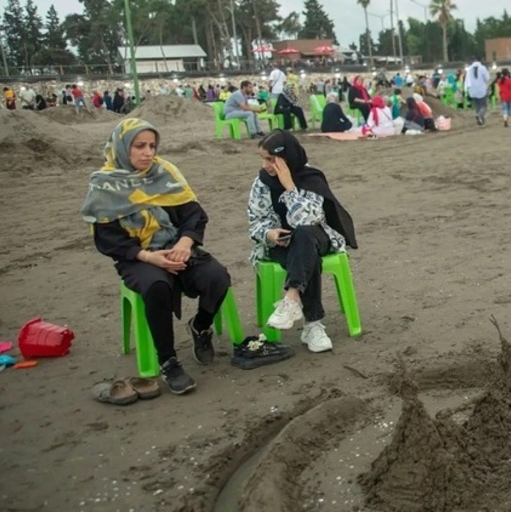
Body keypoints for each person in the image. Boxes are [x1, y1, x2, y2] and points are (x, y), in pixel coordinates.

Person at [83, 119, 233, 395]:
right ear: (122, 147)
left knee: (217, 276)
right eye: (139, 146)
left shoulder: (165, 173)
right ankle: (169, 361)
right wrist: (149, 257)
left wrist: (186, 243)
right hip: (137, 257)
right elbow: (107, 238)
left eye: (152, 145)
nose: (148, 152)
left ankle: (200, 326)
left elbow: (193, 214)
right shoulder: (105, 185)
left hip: (177, 247)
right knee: (157, 286)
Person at [248, 130, 358, 353]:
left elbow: (308, 220)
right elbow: (255, 222)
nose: (266, 165)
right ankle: (313, 325)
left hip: (318, 236)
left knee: (305, 235)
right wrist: (269, 234)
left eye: (271, 159)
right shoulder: (261, 184)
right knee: (308, 255)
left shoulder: (310, 178)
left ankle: (291, 298)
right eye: (262, 158)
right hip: (282, 244)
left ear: (287, 157)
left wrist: (289, 187)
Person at [464, 57, 491, 126]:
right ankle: (479, 116)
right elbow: (487, 78)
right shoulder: (482, 68)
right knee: (484, 106)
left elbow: (467, 80)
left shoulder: (469, 69)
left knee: (477, 106)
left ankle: (481, 120)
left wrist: (466, 89)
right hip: (481, 90)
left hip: (472, 91)